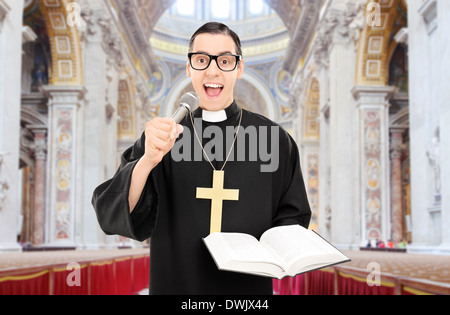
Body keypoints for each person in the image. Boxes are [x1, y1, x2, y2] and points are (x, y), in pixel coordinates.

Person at [92, 22, 311, 295]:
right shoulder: (164, 137)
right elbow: (111, 213)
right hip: (177, 286)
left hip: (247, 293)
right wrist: (148, 161)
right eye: (201, 59)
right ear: (189, 68)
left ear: (239, 68)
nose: (212, 69)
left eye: (225, 60)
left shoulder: (275, 139)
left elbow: (294, 216)